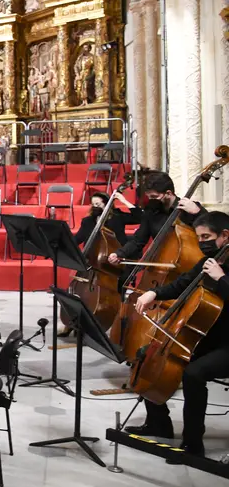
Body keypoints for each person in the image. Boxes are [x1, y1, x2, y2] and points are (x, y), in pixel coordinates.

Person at [129, 211, 229, 457]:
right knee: (147, 354)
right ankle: (159, 424)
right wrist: (154, 294)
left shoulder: (219, 267)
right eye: (199, 237)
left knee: (193, 374)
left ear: (225, 235)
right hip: (209, 336)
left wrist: (223, 279)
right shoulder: (211, 258)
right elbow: (183, 282)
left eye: (207, 236)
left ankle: (193, 445)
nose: (202, 242)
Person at [108, 172, 204, 269]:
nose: (150, 200)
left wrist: (198, 213)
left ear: (168, 193)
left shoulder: (189, 208)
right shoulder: (151, 211)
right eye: (148, 197)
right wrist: (120, 253)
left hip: (188, 264)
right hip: (161, 265)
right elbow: (138, 241)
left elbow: (211, 229)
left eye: (154, 197)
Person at [73, 191, 140, 247]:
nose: (95, 207)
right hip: (92, 258)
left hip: (116, 256)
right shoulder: (87, 221)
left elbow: (139, 218)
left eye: (97, 204)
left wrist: (124, 201)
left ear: (107, 204)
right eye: (93, 204)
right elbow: (78, 238)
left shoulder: (118, 216)